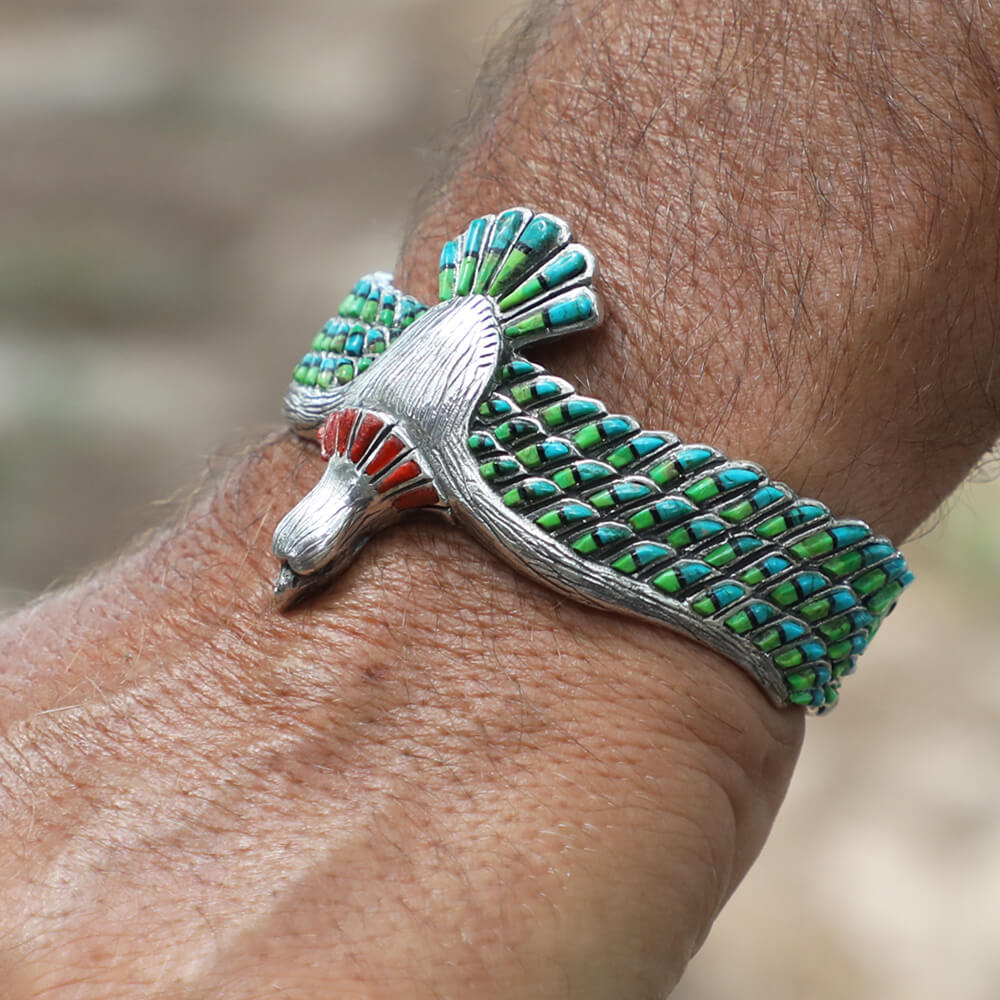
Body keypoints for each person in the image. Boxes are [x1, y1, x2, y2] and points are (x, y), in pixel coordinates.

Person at [2, 0, 998, 995]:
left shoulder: (430, 453)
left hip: (503, 307)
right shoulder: (357, 426)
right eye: (302, 567)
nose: (289, 585)